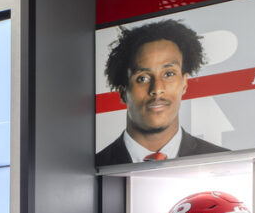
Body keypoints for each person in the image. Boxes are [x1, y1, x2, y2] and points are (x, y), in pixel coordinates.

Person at [96, 19, 230, 166]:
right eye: (143, 78)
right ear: (123, 93)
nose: (157, 89)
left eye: (169, 74)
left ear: (184, 83)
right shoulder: (92, 166)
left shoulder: (223, 161)